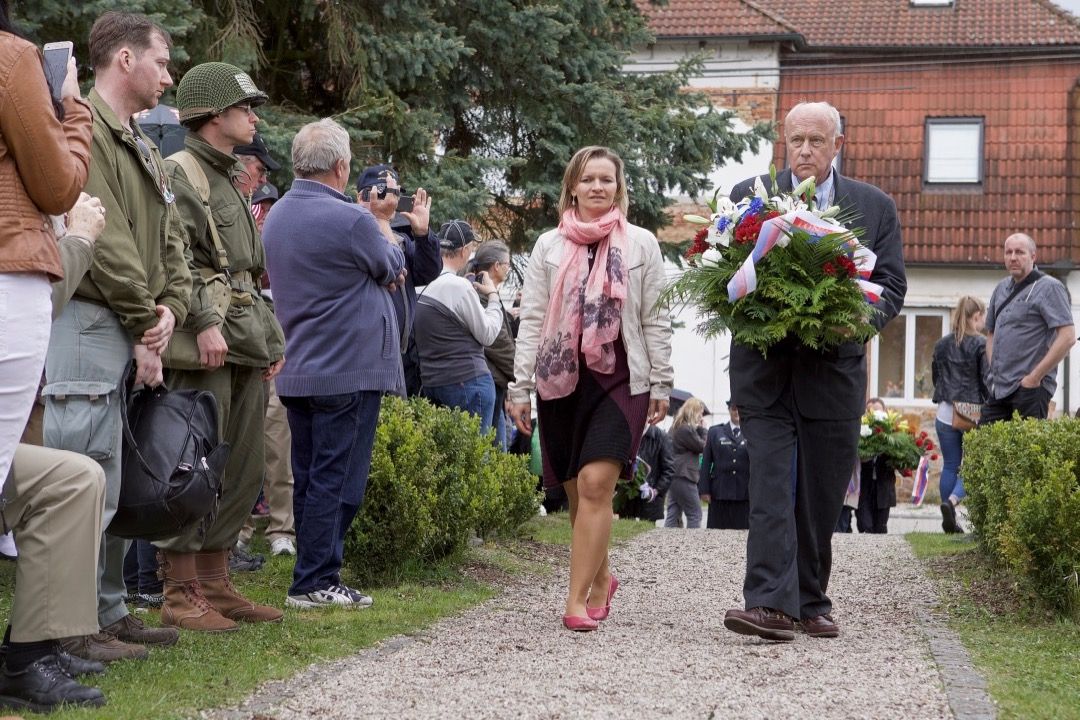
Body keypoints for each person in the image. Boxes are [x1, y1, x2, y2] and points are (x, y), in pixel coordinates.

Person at [723, 101, 906, 642]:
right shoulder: (749, 198)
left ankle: (809, 599)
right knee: (772, 487)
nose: (805, 150)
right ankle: (767, 605)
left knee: (822, 495)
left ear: (838, 146)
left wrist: (857, 322)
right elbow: (725, 276)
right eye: (796, 140)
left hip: (835, 374)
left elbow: (891, 286)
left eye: (816, 141)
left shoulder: (874, 208)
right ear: (784, 140)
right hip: (765, 371)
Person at [46, 10, 191, 662]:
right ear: (125, 60)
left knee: (114, 473)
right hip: (90, 320)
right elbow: (103, 240)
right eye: (161, 61)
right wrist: (145, 319)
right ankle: (64, 628)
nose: (169, 75)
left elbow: (169, 241)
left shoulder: (142, 141)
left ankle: (106, 613)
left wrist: (171, 311)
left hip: (129, 323)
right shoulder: (86, 133)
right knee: (81, 477)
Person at [508, 145, 673, 632]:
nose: (597, 187)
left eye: (606, 179)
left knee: (598, 484)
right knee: (578, 491)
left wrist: (662, 380)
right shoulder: (548, 246)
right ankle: (602, 580)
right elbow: (533, 319)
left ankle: (575, 601)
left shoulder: (641, 244)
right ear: (573, 187)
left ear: (618, 186)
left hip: (622, 375)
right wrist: (520, 387)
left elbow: (655, 317)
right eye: (588, 179)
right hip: (562, 376)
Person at [150, 61, 284, 632]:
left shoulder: (228, 174)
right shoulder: (182, 172)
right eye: (244, 108)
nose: (253, 117)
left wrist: (268, 341)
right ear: (213, 116)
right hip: (206, 338)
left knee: (242, 465)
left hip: (242, 336)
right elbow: (177, 257)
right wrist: (205, 321)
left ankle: (214, 581)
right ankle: (179, 592)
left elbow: (247, 275)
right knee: (194, 463)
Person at [262, 118, 406, 609]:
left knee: (309, 475)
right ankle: (316, 580)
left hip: (298, 367)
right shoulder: (353, 220)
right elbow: (391, 266)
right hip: (347, 368)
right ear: (342, 167)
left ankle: (311, 571)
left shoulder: (277, 215)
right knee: (339, 478)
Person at [356, 164, 442, 397]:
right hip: (363, 353)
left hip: (397, 354)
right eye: (382, 192)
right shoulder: (352, 230)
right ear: (362, 196)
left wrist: (423, 235)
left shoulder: (401, 240)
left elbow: (428, 272)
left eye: (395, 194)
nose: (389, 201)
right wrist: (378, 220)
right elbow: (389, 269)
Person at [415, 220, 504, 434]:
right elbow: (488, 334)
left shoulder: (420, 281)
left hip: (432, 382)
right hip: (468, 382)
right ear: (464, 250)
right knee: (475, 462)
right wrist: (492, 295)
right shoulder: (458, 286)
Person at [981, 233, 1075, 423]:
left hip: (1030, 390)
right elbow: (991, 333)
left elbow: (1067, 337)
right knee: (983, 446)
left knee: (1023, 451)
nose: (1013, 257)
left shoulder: (1050, 287)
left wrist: (1034, 378)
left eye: (1019, 252)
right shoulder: (1000, 289)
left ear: (1033, 256)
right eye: (1008, 252)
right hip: (999, 389)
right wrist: (994, 372)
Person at [932, 296, 989, 534]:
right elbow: (986, 379)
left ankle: (950, 520)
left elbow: (936, 377)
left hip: (945, 412)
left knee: (951, 465)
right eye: (983, 316)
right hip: (972, 414)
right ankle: (953, 502)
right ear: (976, 316)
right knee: (974, 465)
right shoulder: (981, 344)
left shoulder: (942, 343)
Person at [468, 241, 517, 449]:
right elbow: (498, 343)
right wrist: (521, 373)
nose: (508, 268)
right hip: (488, 380)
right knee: (493, 450)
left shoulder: (480, 293)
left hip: (495, 381)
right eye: (507, 264)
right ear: (496, 266)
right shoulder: (482, 296)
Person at [699, 401, 750, 530]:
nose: (737, 412)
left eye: (740, 408)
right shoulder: (715, 432)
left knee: (742, 537)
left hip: (744, 494)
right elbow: (706, 462)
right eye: (734, 408)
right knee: (716, 536)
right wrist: (704, 490)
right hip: (720, 493)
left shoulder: (752, 433)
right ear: (729, 410)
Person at [665, 397, 707, 529]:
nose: (701, 415)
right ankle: (692, 545)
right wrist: (702, 429)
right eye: (700, 412)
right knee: (695, 513)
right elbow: (702, 447)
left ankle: (667, 543)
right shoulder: (686, 429)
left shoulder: (676, 427)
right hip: (684, 475)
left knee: (673, 512)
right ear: (694, 411)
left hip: (675, 474)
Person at [855, 397, 895, 534]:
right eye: (869, 412)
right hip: (864, 489)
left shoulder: (892, 435)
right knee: (865, 526)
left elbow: (901, 463)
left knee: (880, 529)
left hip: (883, 489)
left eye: (877, 412)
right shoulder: (860, 434)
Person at [633, 424, 674, 522]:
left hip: (650, 497)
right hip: (627, 497)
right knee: (626, 533)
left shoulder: (661, 437)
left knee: (647, 534)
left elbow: (669, 469)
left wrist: (656, 491)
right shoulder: (627, 432)